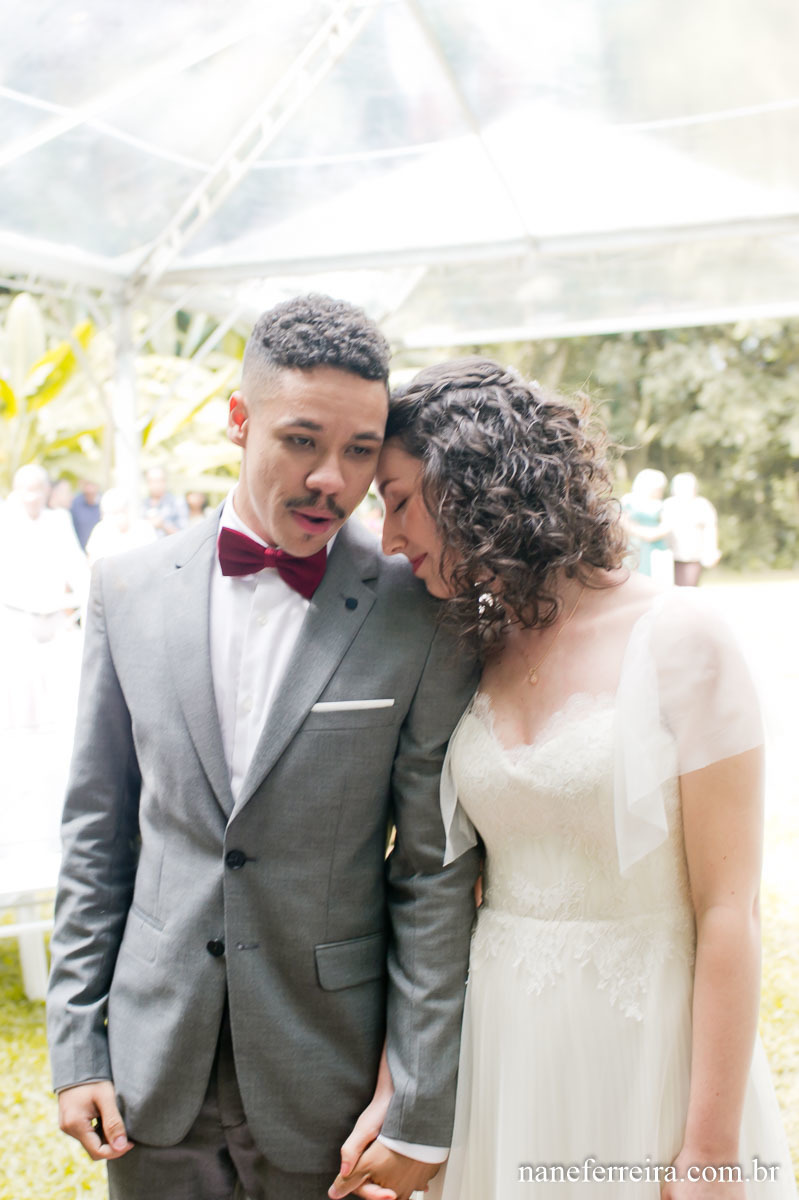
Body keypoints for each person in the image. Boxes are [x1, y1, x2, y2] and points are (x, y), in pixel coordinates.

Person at [46, 296, 479, 1200]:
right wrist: (77, 1043)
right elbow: (97, 832)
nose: (331, 478)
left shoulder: (416, 611)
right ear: (239, 420)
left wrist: (418, 1100)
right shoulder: (126, 590)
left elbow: (430, 873)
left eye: (360, 451)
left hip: (327, 1075)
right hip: (151, 1071)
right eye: (301, 440)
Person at [333, 358, 796, 1199]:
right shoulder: (467, 647)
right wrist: (403, 1085)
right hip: (502, 1050)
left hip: (643, 1049)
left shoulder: (683, 639)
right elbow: (441, 891)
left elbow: (729, 912)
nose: (389, 539)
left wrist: (709, 1148)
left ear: (468, 481)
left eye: (397, 501)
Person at [0, 464, 88, 857]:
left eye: (38, 489)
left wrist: (87, 604)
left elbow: (77, 567)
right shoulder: (5, 520)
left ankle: (53, 791)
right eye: (27, 489)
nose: (33, 497)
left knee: (60, 708)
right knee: (17, 706)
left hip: (56, 619)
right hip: (16, 618)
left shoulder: (58, 521)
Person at [663, 472, 721, 587]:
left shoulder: (702, 504)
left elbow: (710, 528)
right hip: (670, 554)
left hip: (693, 555)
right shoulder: (668, 504)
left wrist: (711, 550)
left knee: (689, 587)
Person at [621, 467, 674, 586]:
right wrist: (642, 533)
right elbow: (623, 523)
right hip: (633, 546)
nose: (660, 491)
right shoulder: (628, 501)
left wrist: (646, 534)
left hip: (655, 548)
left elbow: (666, 527)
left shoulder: (662, 505)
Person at [84, 487, 157, 565]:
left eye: (114, 513)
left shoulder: (144, 529)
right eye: (105, 514)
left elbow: (153, 559)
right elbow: (92, 561)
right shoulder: (100, 530)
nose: (108, 518)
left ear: (126, 511)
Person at [141, 465, 187, 536]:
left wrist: (163, 525)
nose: (156, 484)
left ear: (165, 481)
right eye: (152, 481)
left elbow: (184, 535)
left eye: (159, 480)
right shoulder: (143, 504)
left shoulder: (177, 502)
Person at [70, 478, 101, 549]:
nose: (89, 488)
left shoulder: (103, 502)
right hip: (80, 547)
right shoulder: (76, 503)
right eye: (87, 484)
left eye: (92, 484)